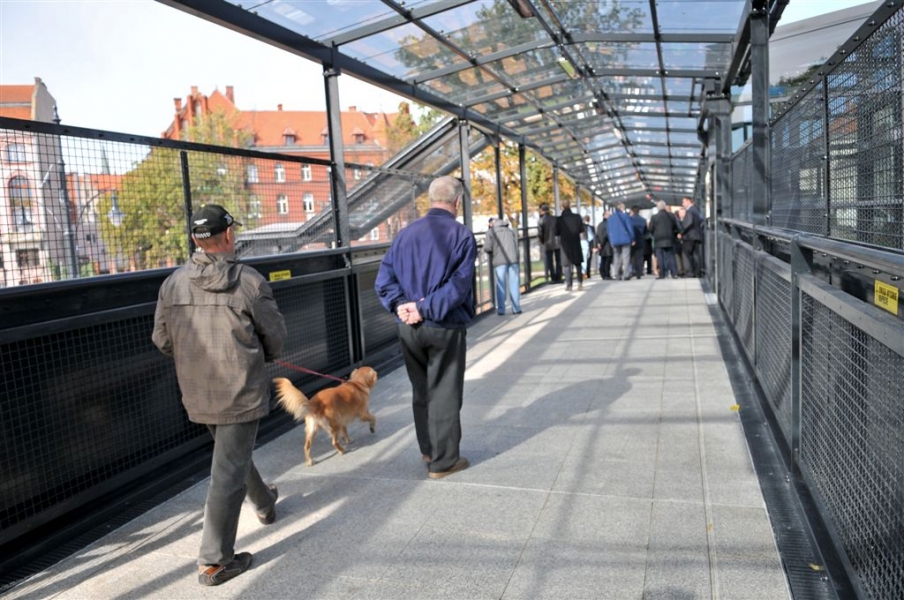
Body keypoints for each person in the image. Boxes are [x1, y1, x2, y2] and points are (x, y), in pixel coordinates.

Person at [152, 204, 286, 587]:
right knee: (227, 471)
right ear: (228, 235)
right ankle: (214, 562)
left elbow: (162, 339)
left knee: (232, 454)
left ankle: (264, 502)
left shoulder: (172, 284)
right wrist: (260, 356)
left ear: (196, 240)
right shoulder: (250, 282)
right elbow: (276, 338)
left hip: (197, 391)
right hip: (240, 390)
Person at [375, 176, 475, 479]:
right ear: (457, 202)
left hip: (408, 327)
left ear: (430, 199)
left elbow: (384, 280)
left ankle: (428, 450)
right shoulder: (461, 235)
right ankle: (443, 462)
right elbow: (458, 286)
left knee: (421, 389)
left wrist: (401, 305)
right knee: (445, 391)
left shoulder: (404, 235)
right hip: (445, 325)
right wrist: (424, 307)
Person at [484, 216, 522, 315]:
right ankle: (516, 308)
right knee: (514, 284)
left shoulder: (491, 232)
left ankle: (501, 309)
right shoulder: (510, 231)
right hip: (513, 259)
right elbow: (515, 245)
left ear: (491, 224)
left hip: (499, 260)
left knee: (501, 284)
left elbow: (487, 248)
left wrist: (493, 252)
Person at [555, 199, 584, 291]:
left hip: (565, 244)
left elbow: (556, 232)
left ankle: (569, 285)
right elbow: (581, 229)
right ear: (570, 205)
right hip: (576, 242)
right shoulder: (577, 217)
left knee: (567, 265)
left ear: (562, 207)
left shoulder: (559, 219)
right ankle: (580, 283)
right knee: (578, 264)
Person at [649, 200, 679, 279]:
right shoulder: (671, 216)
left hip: (658, 240)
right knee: (671, 256)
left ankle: (662, 274)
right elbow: (676, 227)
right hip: (670, 239)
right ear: (665, 207)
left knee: (660, 257)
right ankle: (674, 273)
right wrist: (674, 234)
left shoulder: (654, 217)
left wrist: (655, 234)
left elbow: (650, 229)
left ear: (658, 208)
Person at [607, 202, 635, 280]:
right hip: (625, 239)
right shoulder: (625, 216)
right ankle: (625, 274)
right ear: (622, 208)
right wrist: (632, 238)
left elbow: (609, 231)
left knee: (617, 257)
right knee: (626, 257)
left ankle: (617, 274)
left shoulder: (610, 218)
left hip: (615, 240)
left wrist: (611, 241)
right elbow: (630, 228)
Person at [680, 197, 705, 277]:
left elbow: (688, 222)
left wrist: (681, 232)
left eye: (683, 202)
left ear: (688, 201)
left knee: (686, 254)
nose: (682, 204)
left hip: (689, 236)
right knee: (695, 254)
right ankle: (697, 272)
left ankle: (689, 272)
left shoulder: (690, 211)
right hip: (696, 236)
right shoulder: (696, 210)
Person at [538, 203, 562, 283]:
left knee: (550, 261)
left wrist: (542, 241)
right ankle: (559, 277)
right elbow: (559, 230)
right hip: (557, 242)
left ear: (542, 211)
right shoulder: (555, 218)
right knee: (558, 260)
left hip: (547, 243)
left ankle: (553, 278)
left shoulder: (541, 220)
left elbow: (540, 233)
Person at [629, 206, 648, 279]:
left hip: (632, 240)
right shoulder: (643, 220)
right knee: (639, 257)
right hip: (641, 240)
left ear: (632, 211)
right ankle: (639, 272)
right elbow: (646, 231)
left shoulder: (629, 219)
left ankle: (633, 270)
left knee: (632, 256)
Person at [595, 210, 613, 279]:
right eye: (609, 215)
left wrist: (598, 244)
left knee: (603, 260)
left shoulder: (600, 224)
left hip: (602, 245)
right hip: (607, 245)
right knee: (607, 260)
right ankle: (607, 274)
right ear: (605, 215)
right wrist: (602, 243)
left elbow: (597, 235)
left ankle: (603, 274)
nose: (610, 216)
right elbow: (606, 235)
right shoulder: (608, 224)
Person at [582, 214, 596, 280]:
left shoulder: (581, 227)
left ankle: (584, 273)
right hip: (589, 245)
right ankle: (588, 273)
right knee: (588, 259)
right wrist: (594, 246)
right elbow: (593, 238)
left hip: (583, 243)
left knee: (584, 259)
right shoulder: (591, 227)